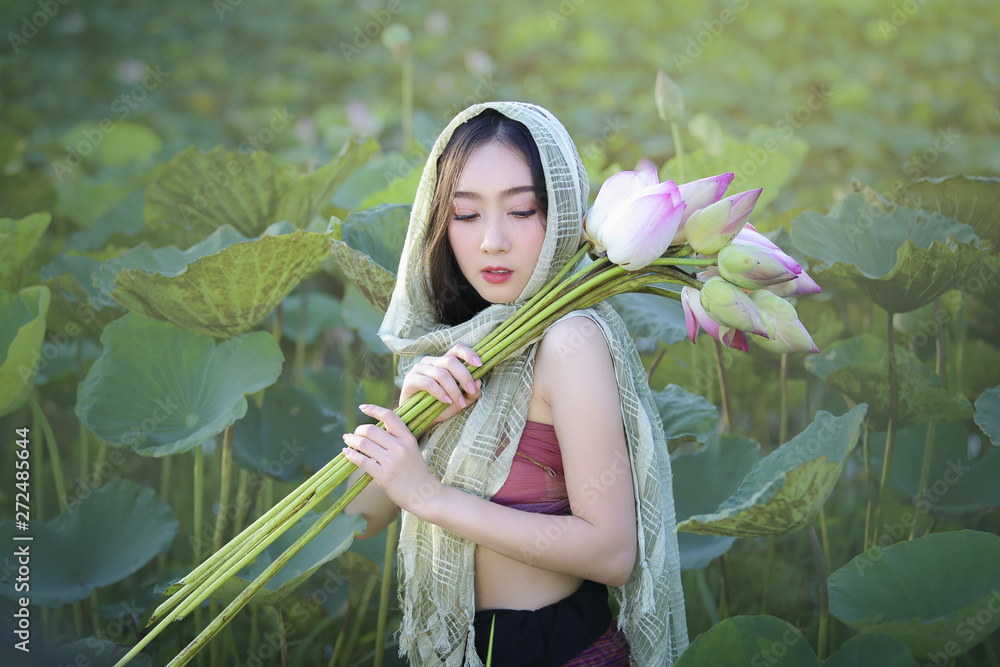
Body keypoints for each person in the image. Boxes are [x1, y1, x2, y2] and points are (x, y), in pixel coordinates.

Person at [343, 101, 687, 667]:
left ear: (564, 213)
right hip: (462, 648)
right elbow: (361, 522)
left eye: (522, 210)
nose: (492, 241)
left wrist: (431, 497)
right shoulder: (455, 339)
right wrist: (412, 418)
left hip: (553, 648)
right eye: (466, 214)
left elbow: (612, 551)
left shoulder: (568, 342)